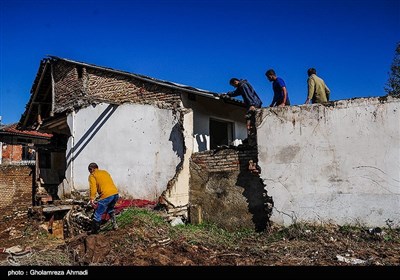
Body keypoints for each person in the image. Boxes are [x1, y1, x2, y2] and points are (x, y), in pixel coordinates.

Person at [221, 78, 262, 144]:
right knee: (252, 120)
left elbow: (248, 94)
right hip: (255, 103)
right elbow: (235, 93)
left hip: (254, 105)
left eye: (233, 85)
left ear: (235, 82)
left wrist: (252, 105)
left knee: (250, 120)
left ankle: (253, 139)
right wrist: (227, 94)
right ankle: (252, 138)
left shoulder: (243, 85)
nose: (234, 87)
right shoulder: (241, 86)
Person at [87, 162, 119, 234]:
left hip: (106, 195)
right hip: (115, 194)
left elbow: (93, 188)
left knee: (97, 213)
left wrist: (92, 199)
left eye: (89, 171)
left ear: (91, 169)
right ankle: (115, 225)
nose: (89, 172)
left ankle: (95, 232)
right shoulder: (105, 172)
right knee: (110, 209)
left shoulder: (92, 175)